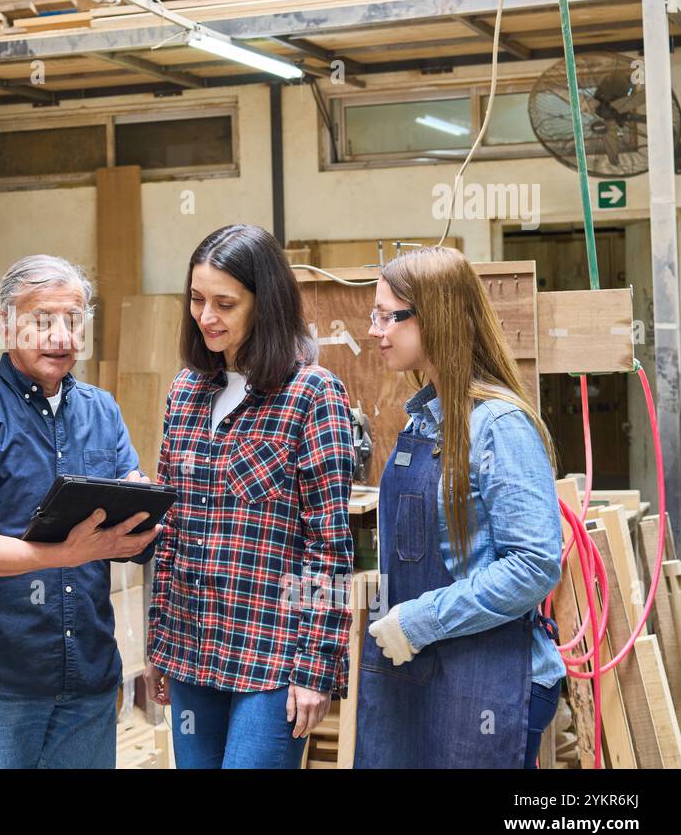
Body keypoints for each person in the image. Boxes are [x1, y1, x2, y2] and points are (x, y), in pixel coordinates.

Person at [0, 254, 158, 769]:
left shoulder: (102, 411)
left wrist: (140, 511)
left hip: (89, 678)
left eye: (73, 321)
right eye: (43, 320)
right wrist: (65, 553)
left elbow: (128, 511)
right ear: (5, 325)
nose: (61, 336)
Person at [144, 224, 355, 769]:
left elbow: (328, 547)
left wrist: (316, 667)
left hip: (273, 657)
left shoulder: (312, 394)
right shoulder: (186, 392)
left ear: (266, 305)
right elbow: (172, 533)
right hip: (191, 651)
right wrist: (159, 644)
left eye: (224, 303)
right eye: (196, 299)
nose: (206, 316)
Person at [354, 245, 565, 769]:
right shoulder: (422, 422)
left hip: (486, 680)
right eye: (374, 315)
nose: (376, 330)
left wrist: (421, 619)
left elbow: (534, 564)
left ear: (436, 317)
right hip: (422, 670)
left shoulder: (498, 426)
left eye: (388, 316)